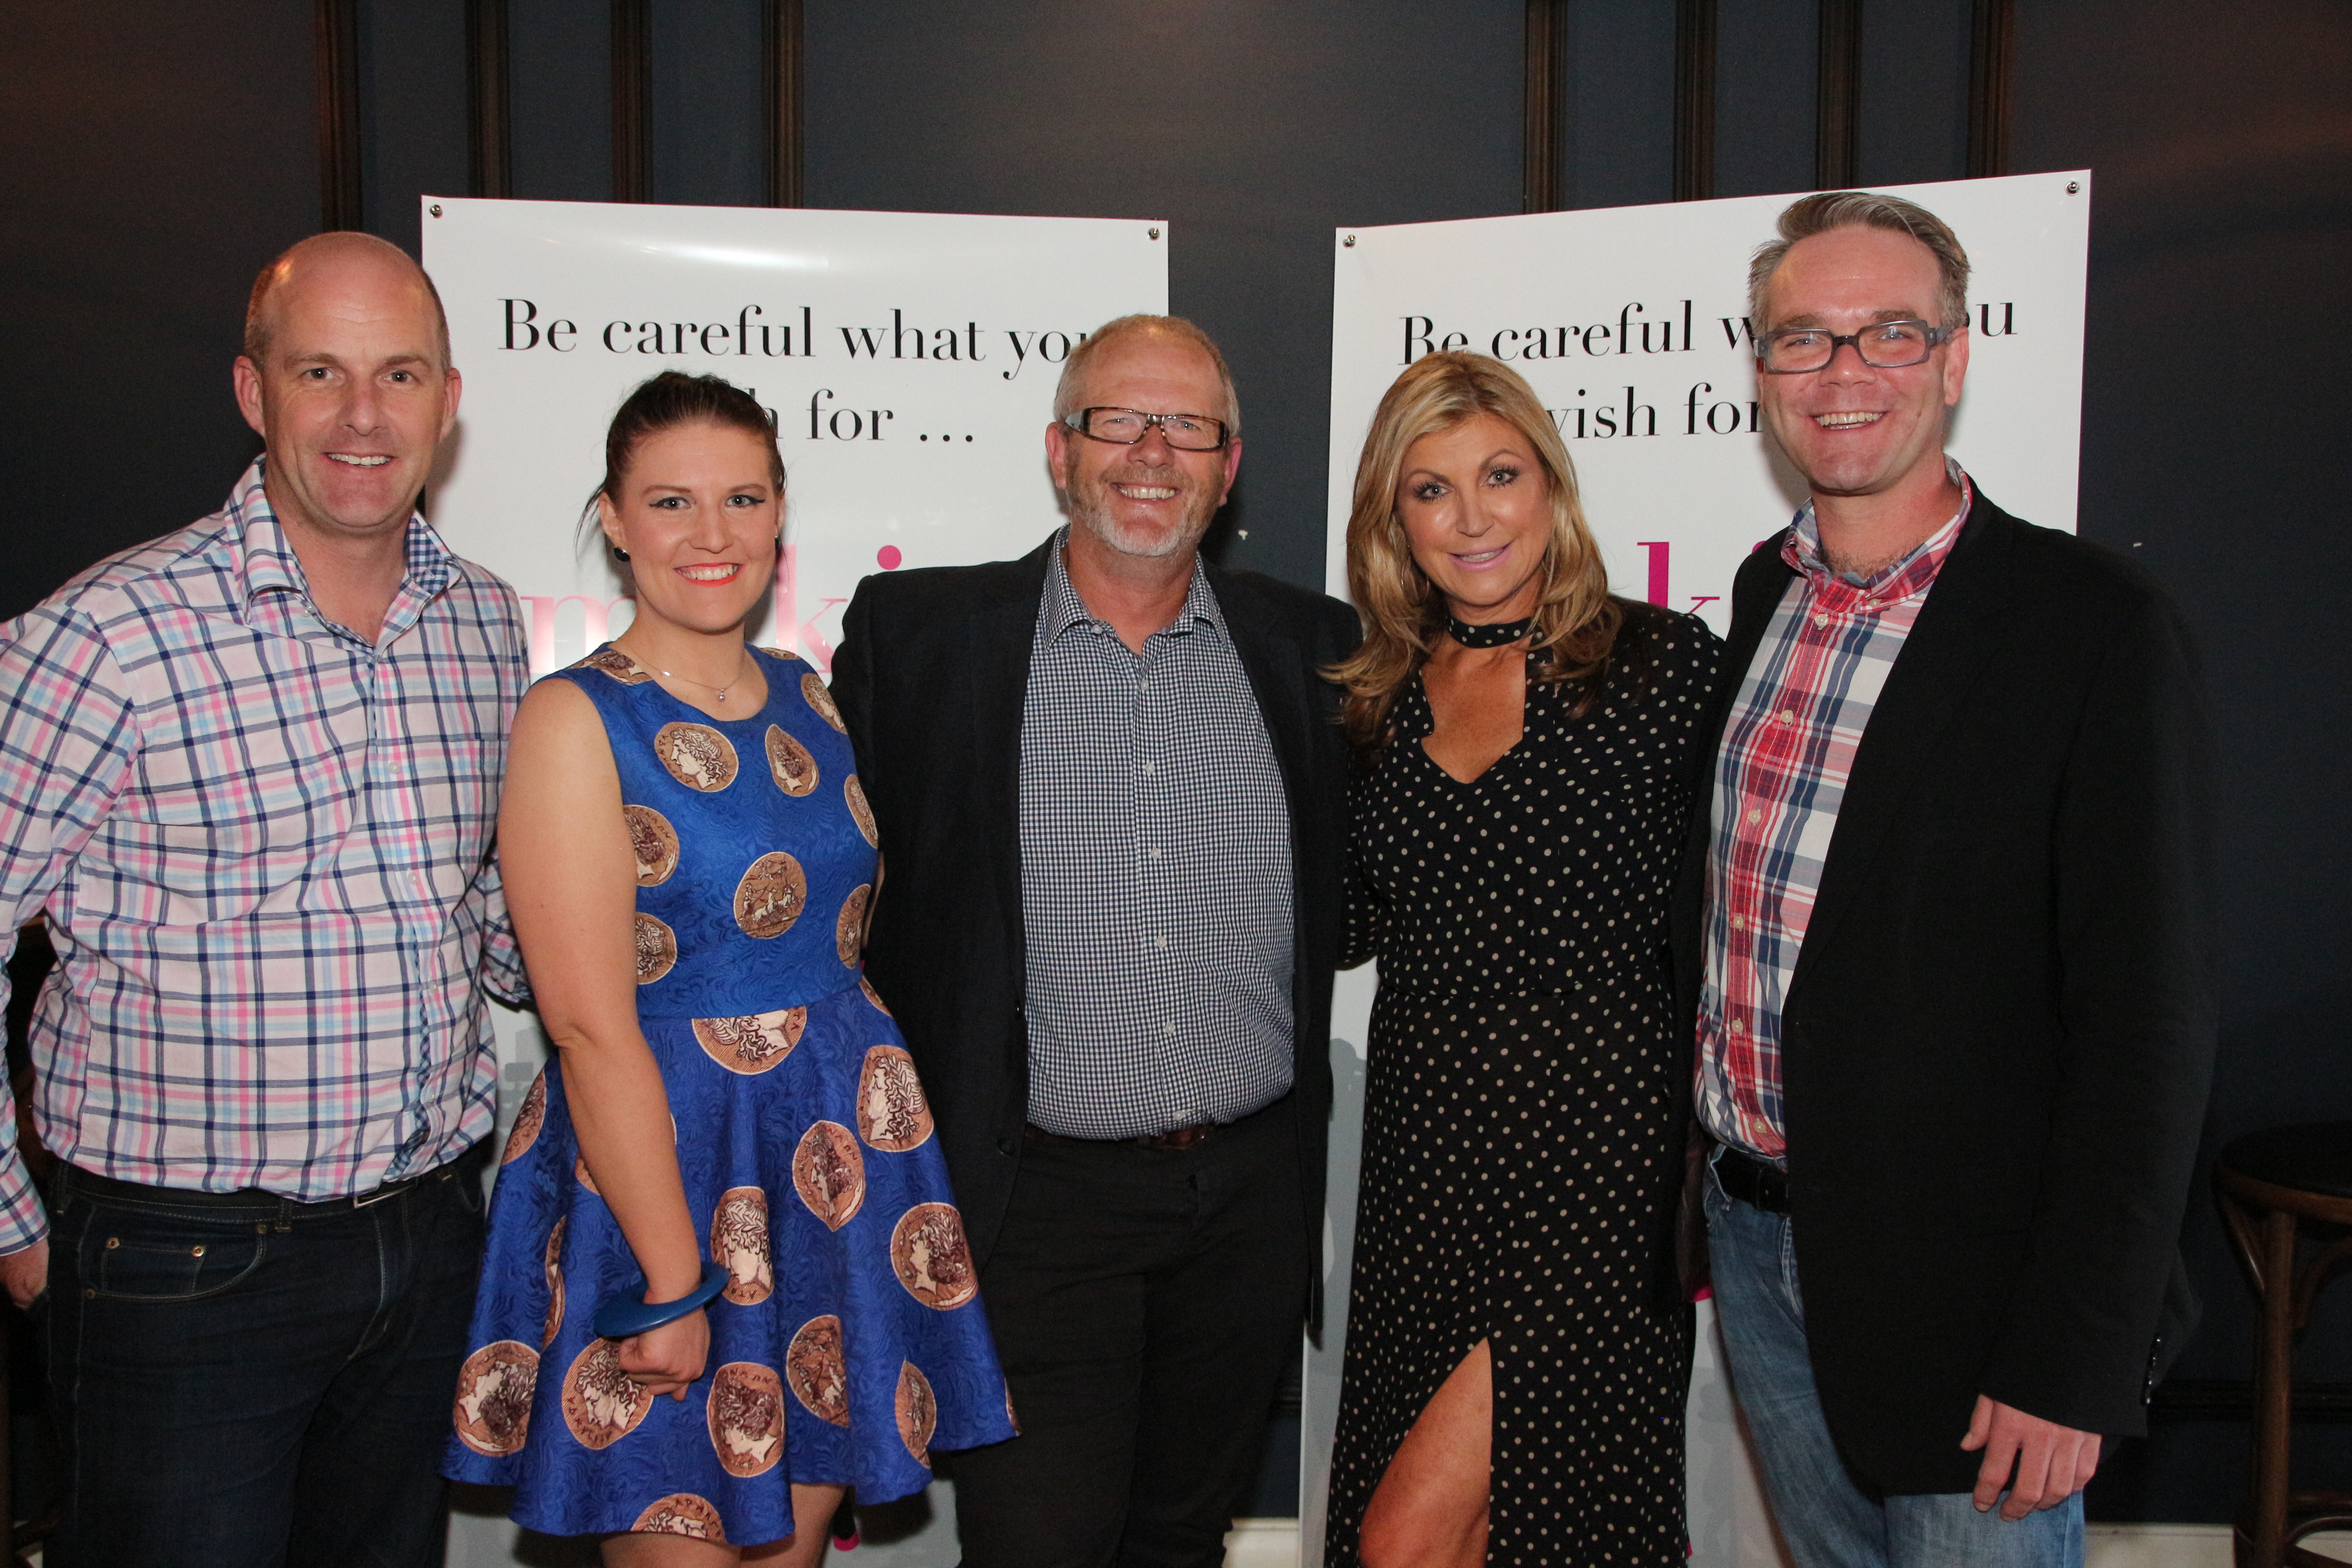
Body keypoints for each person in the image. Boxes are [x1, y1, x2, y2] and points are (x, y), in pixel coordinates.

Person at [1677, 190, 2216, 1567]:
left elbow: (2145, 1021)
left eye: (1890, 334)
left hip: (1978, 1290)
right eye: (1803, 339)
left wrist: (2076, 1352)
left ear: (1958, 359)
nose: (1843, 373)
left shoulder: (2090, 626)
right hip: (1754, 1240)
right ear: (1761, 372)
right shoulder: (1762, 596)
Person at [0, 231, 529, 1568]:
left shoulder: (485, 625)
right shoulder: (107, 635)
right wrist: (10, 1224)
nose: (364, 416)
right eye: (321, 373)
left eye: (400, 375)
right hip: (183, 1268)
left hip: (426, 1239)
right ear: (254, 394)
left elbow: (465, 908)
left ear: (448, 401)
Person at [444, 371, 1013, 1563]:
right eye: (670, 503)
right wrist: (671, 1281)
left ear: (779, 512)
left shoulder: (810, 695)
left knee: (791, 1556)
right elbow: (591, 1029)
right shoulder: (575, 720)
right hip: (667, 1189)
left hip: (834, 1186)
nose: (712, 536)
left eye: (742, 499)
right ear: (613, 519)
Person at [828, 314, 1359, 1568]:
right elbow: (828, 891)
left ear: (1229, 468)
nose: (1152, 453)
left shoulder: (1317, 650)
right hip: (1032, 1205)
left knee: (1179, 1541)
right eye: (1118, 420)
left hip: (1244, 1203)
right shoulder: (921, 641)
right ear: (1061, 450)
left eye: (1189, 427)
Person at [1320, 352, 1722, 1568]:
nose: (1474, 516)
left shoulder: (1665, 667)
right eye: (1431, 489)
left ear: (1552, 483)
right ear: (1395, 518)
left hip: (1597, 1169)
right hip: (1424, 1172)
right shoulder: (1375, 698)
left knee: (1415, 1537)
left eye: (1501, 475)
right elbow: (1343, 927)